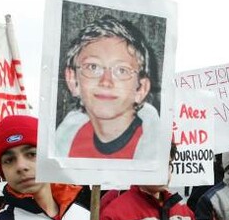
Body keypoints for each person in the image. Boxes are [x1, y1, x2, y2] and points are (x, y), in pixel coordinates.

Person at [56, 15, 159, 159]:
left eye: (121, 70)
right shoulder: (65, 143)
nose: (106, 81)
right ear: (73, 80)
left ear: (141, 88)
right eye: (93, 67)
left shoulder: (153, 150)